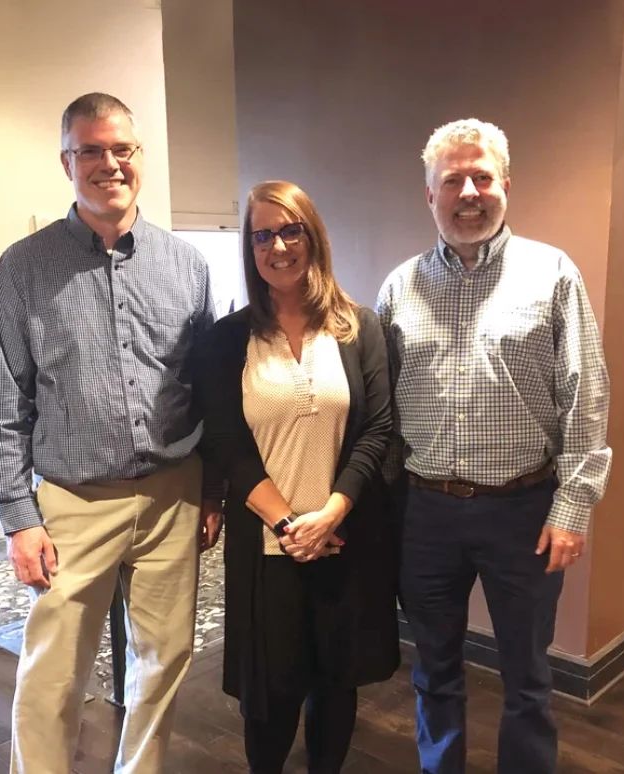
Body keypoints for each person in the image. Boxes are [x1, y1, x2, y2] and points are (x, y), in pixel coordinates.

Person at [0, 92, 222, 774]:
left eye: (122, 149)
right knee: (53, 674)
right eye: (90, 150)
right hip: (72, 504)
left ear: (139, 158)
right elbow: (2, 404)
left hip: (175, 493)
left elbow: (206, 391)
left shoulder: (187, 267)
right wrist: (18, 518)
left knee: (165, 661)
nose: (108, 163)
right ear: (67, 161)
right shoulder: (24, 267)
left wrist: (216, 491)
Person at [376, 118, 611, 774]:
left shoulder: (552, 274)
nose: (469, 191)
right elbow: (382, 412)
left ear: (506, 184)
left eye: (483, 177)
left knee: (529, 680)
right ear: (431, 195)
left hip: (524, 512)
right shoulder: (399, 287)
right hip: (426, 514)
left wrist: (573, 508)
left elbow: (585, 398)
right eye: (454, 180)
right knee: (435, 670)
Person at [198, 180, 400, 773]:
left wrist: (333, 512)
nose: (278, 246)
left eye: (291, 230)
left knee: (337, 686)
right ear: (249, 247)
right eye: (263, 234)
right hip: (267, 547)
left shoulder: (358, 328)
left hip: (343, 539)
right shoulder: (225, 340)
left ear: (313, 238)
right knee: (271, 697)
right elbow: (227, 444)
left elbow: (378, 429)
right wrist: (291, 523)